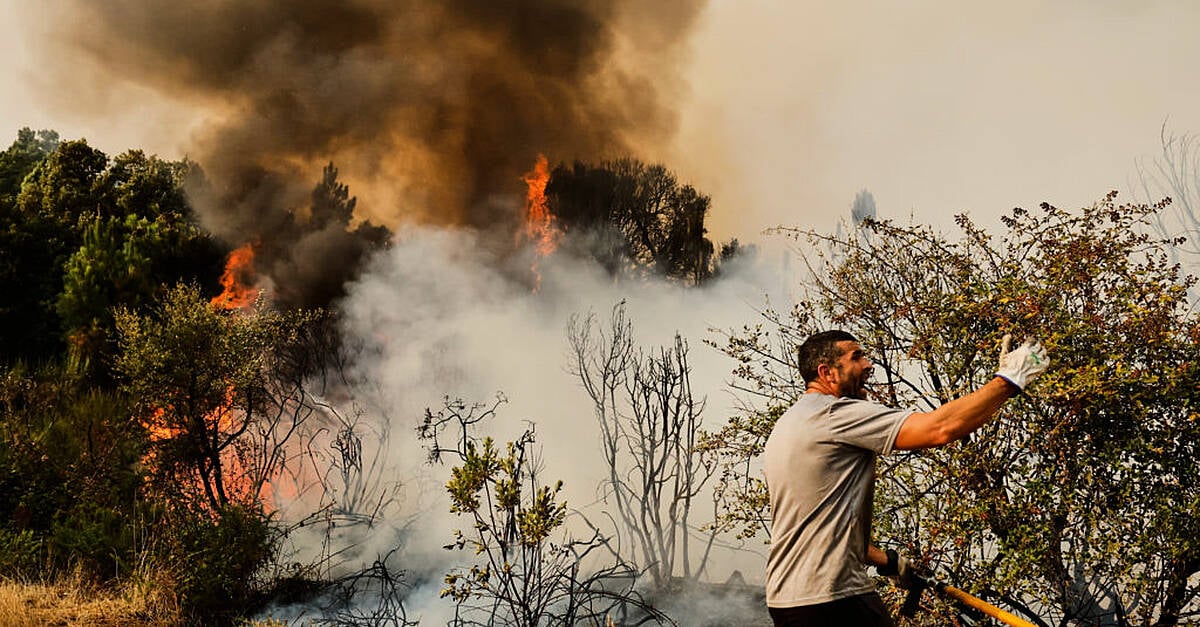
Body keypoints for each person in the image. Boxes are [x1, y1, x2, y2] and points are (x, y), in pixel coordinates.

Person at [763, 330, 1048, 626]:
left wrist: (886, 560)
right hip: (832, 597)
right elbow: (941, 428)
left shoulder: (788, 425)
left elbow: (816, 526)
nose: (868, 364)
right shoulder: (833, 414)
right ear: (827, 373)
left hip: (789, 599)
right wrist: (1009, 379)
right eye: (856, 357)